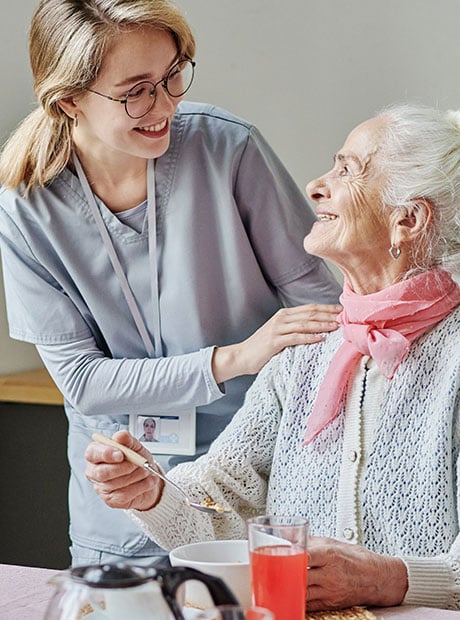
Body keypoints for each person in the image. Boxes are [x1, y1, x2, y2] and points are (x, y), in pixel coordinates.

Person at [0, 0, 341, 567]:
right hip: (124, 486)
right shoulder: (25, 208)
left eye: (172, 75)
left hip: (253, 478)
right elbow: (83, 382)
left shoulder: (226, 147)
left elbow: (323, 307)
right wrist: (235, 358)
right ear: (68, 101)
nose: (164, 105)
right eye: (136, 90)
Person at [86, 103, 460, 611]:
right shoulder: (307, 348)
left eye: (346, 170)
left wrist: (392, 579)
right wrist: (152, 493)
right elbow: (224, 502)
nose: (315, 185)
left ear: (408, 219)